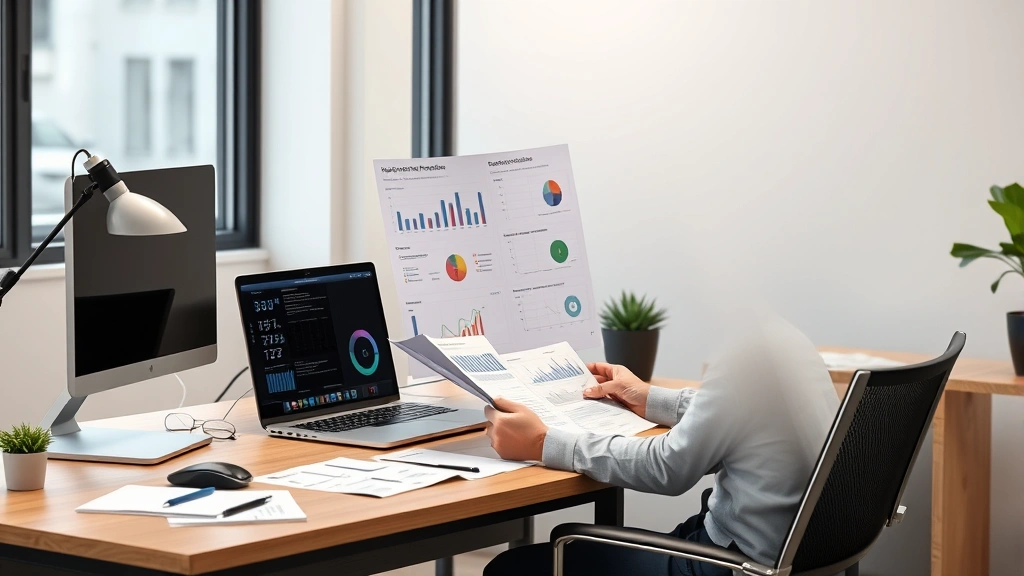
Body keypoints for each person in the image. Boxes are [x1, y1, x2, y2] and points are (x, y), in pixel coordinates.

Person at [482, 311, 839, 576]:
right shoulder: (786, 339)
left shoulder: (746, 353)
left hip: (735, 562)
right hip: (791, 551)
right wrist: (650, 398)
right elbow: (733, 418)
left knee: (512, 568)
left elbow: (668, 469)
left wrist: (544, 441)